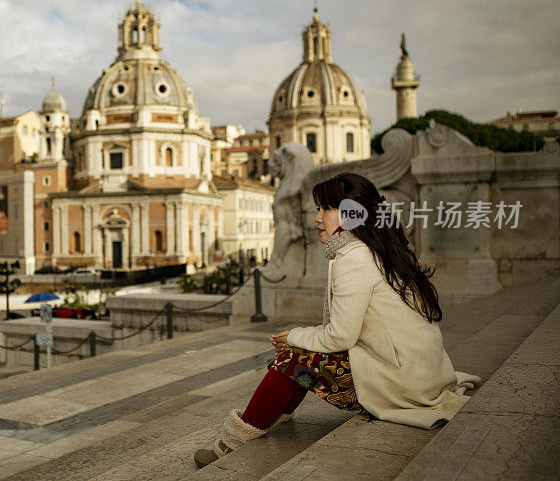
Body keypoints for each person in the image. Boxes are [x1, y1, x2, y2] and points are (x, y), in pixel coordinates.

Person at [193, 173, 480, 468]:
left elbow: (339, 337)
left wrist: (293, 336)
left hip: (402, 383)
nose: (317, 218)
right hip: (418, 374)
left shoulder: (354, 257)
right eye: (318, 208)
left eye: (326, 209)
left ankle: (234, 440)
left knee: (293, 357)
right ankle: (272, 412)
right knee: (301, 349)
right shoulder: (375, 247)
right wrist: (300, 336)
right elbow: (345, 329)